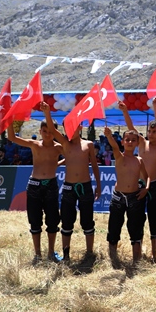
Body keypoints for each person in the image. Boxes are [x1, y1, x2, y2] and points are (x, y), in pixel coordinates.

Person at [42, 103, 101, 262]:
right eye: (67, 128)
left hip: (85, 187)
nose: (71, 131)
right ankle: (66, 255)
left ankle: (89, 253)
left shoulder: (88, 145)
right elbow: (52, 129)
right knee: (67, 222)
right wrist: (47, 112)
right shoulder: (65, 143)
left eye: (73, 127)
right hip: (68, 188)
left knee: (87, 221)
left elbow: (95, 166)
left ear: (80, 127)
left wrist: (99, 186)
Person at [7, 121, 64, 264]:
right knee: (34, 221)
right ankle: (37, 255)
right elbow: (12, 138)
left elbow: (73, 155)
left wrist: (57, 163)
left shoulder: (59, 147)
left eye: (50, 132)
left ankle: (51, 252)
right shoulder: (35, 145)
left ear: (55, 133)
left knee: (53, 221)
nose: (48, 134)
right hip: (34, 185)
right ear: (40, 131)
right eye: (45, 131)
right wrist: (9, 121)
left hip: (51, 185)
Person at [119, 102, 156, 262]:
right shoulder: (142, 142)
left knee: (155, 219)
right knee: (137, 219)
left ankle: (154, 254)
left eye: (154, 132)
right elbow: (131, 127)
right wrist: (125, 111)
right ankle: (138, 252)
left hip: (155, 186)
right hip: (139, 185)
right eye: (149, 131)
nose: (151, 134)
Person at [105, 127, 149, 264]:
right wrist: (109, 136)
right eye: (127, 140)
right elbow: (114, 146)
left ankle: (136, 259)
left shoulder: (139, 160)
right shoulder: (119, 156)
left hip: (135, 198)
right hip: (118, 197)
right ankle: (113, 258)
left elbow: (147, 177)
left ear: (137, 143)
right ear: (122, 142)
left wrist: (146, 188)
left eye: (133, 140)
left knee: (136, 228)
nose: (130, 142)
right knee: (114, 227)